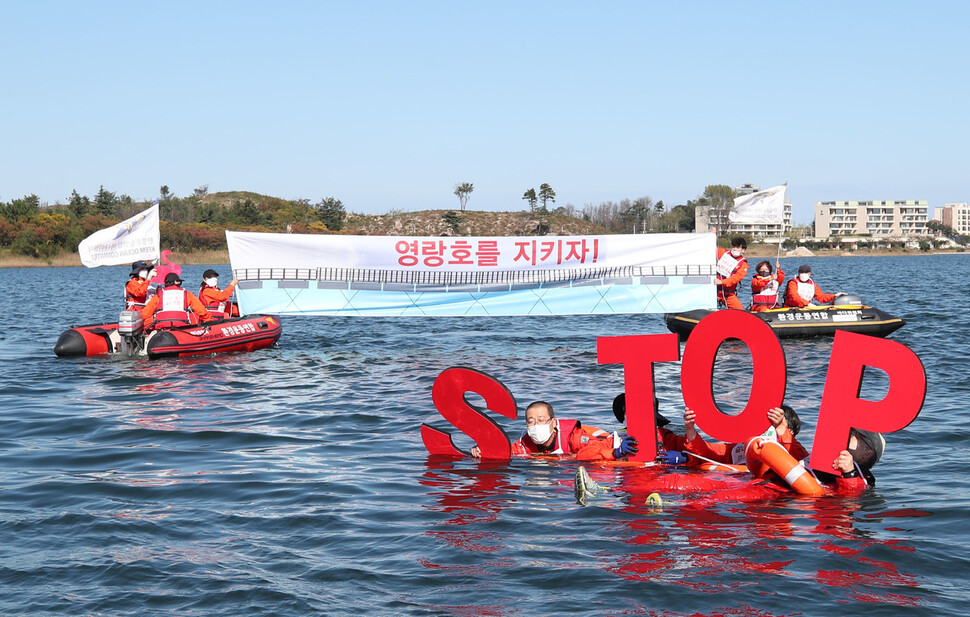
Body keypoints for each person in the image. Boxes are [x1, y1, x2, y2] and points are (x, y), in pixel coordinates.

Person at [470, 400, 638, 462]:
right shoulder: (526, 442)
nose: (536, 425)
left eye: (541, 420)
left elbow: (595, 450)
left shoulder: (574, 436)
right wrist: (482, 450)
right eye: (531, 422)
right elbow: (507, 451)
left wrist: (615, 453)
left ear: (552, 423)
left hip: (608, 443)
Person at [612, 393, 691, 463]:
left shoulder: (666, 438)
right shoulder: (616, 438)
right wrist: (615, 452)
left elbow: (700, 452)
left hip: (661, 476)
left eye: (643, 412)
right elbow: (599, 451)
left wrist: (686, 458)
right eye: (631, 411)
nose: (639, 418)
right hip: (627, 475)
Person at [140, 272, 212, 329]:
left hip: (162, 328)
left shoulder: (158, 295)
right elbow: (202, 311)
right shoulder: (186, 294)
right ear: (177, 282)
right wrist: (209, 321)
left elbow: (145, 314)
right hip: (181, 328)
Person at [715, 237, 749, 310]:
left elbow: (735, 279)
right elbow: (710, 247)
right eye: (733, 246)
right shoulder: (723, 253)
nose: (734, 249)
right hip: (713, 290)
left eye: (737, 247)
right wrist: (713, 235)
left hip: (728, 293)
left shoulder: (743, 264)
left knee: (740, 312)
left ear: (743, 250)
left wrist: (721, 282)